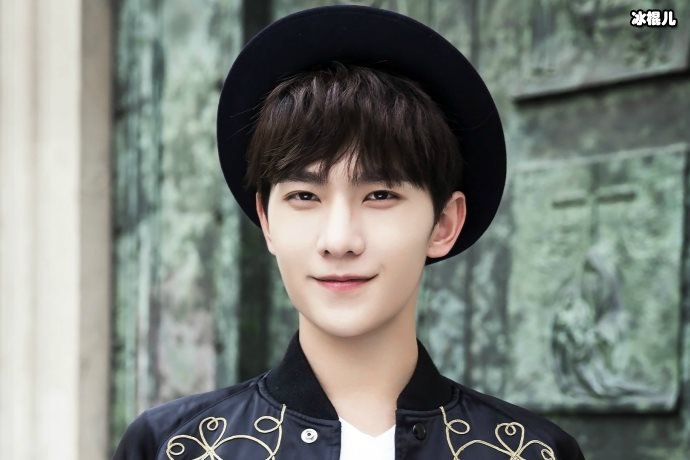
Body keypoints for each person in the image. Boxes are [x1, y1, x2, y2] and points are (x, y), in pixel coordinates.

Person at [114, 5, 586, 459]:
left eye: (379, 195)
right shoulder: (173, 447)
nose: (339, 241)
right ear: (267, 221)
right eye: (304, 196)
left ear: (443, 223)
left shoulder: (531, 452)